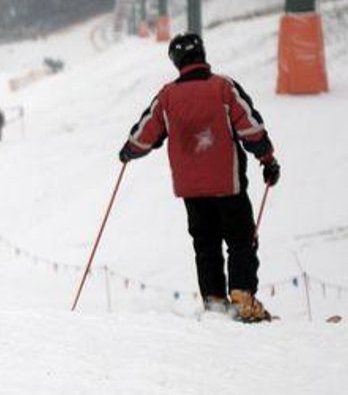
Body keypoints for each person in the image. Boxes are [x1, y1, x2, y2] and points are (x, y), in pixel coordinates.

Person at [118, 33, 280, 323]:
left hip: (192, 190)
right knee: (241, 240)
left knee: (205, 244)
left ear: (176, 61)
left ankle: (215, 302)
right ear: (202, 54)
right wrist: (267, 159)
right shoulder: (223, 87)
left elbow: (144, 135)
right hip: (228, 184)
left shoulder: (166, 96)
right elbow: (251, 128)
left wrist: (129, 152)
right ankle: (243, 298)